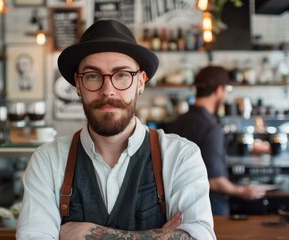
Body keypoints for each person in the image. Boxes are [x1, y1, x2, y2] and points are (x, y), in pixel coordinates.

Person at [16, 20, 216, 240]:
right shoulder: (47, 161)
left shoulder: (180, 155)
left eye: (122, 75)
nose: (108, 91)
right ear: (78, 84)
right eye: (93, 76)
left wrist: (88, 234)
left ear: (141, 81)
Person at [165, 66, 266, 216]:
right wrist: (243, 191)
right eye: (226, 91)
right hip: (209, 212)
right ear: (219, 90)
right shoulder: (211, 127)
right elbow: (215, 181)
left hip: (176, 210)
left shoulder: (178, 121)